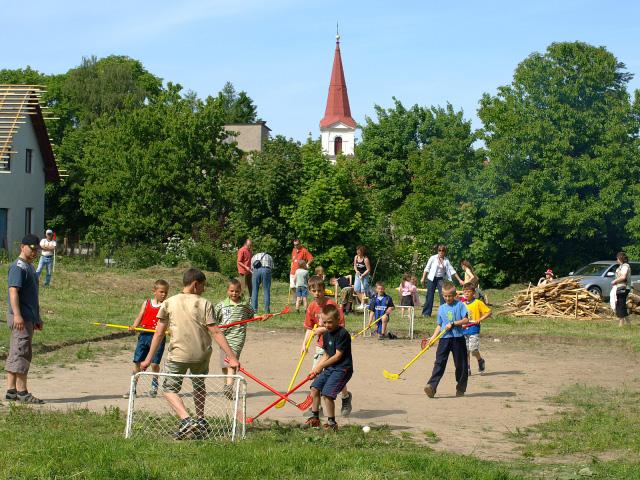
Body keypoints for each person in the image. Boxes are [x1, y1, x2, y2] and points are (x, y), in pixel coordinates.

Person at [141, 268, 240, 440]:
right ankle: (200, 420)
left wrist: (148, 359)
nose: (203, 290)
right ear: (195, 285)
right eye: (203, 286)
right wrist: (232, 357)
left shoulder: (169, 303)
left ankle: (186, 420)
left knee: (169, 389)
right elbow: (216, 332)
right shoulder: (205, 303)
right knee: (199, 384)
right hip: (202, 355)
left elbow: (158, 333)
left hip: (178, 355)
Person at [302, 276, 352, 417]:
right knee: (316, 375)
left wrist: (323, 329)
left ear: (324, 290)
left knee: (334, 375)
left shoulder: (332, 305)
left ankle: (346, 397)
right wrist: (304, 344)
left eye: (319, 290)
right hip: (321, 346)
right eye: (314, 291)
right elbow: (309, 328)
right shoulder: (312, 307)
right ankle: (316, 409)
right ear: (310, 291)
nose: (317, 293)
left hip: (335, 346)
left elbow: (341, 325)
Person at [5, 234, 45, 404]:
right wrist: (18, 315)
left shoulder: (28, 266)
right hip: (20, 317)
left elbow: (31, 296)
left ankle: (11, 391)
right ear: (22, 246)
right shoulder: (18, 267)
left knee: (16, 351)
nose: (34, 252)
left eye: (37, 249)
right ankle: (22, 392)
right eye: (31, 248)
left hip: (28, 316)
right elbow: (13, 291)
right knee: (22, 353)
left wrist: (37, 317)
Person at [303, 303, 353, 431]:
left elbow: (337, 356)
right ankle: (315, 419)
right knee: (314, 388)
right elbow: (326, 353)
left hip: (342, 369)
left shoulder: (343, 334)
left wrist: (321, 367)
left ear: (338, 320)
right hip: (331, 368)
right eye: (324, 322)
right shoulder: (326, 334)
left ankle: (332, 423)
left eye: (330, 322)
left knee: (327, 394)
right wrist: (317, 368)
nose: (327, 325)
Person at [123, 279, 169, 399]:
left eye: (166, 292)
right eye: (161, 292)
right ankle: (133, 388)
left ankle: (154, 384)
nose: (164, 294)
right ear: (154, 291)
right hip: (144, 336)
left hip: (158, 337)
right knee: (137, 363)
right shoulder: (147, 303)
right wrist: (134, 326)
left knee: (154, 364)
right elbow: (140, 315)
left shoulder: (166, 305)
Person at [423, 281, 470, 398]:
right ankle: (431, 387)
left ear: (454, 295)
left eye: (450, 296)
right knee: (439, 363)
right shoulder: (441, 308)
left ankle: (461, 388)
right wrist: (432, 339)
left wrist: (454, 323)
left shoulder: (460, 305)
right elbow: (439, 325)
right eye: (445, 296)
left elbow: (466, 320)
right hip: (444, 339)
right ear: (443, 295)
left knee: (461, 365)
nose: (447, 298)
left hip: (458, 339)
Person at [215, 279, 260, 398]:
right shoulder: (221, 305)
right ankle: (227, 385)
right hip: (223, 338)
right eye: (232, 291)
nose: (234, 293)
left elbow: (253, 315)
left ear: (241, 292)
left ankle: (229, 387)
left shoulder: (244, 305)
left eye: (237, 291)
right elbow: (214, 320)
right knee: (224, 365)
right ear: (227, 291)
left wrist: (258, 317)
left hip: (237, 338)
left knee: (231, 363)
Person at [420, 244, 464, 317]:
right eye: (439, 250)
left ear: (445, 252)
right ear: (437, 251)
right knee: (430, 295)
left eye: (442, 250)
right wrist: (423, 278)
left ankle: (443, 313)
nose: (441, 252)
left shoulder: (446, 260)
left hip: (440, 279)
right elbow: (427, 268)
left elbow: (452, 270)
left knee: (443, 295)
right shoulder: (433, 258)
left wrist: (459, 280)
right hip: (432, 278)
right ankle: (426, 313)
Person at [462, 282, 491, 376]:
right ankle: (467, 368)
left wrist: (480, 319)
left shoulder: (478, 302)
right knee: (465, 350)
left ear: (473, 293)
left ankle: (480, 360)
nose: (466, 293)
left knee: (473, 349)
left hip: (474, 328)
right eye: (465, 292)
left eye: (468, 292)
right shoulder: (462, 304)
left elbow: (488, 312)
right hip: (463, 329)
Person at [610, 252, 631, 327]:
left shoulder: (625, 266)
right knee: (621, 304)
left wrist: (614, 281)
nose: (616, 260)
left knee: (620, 304)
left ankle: (621, 323)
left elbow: (623, 277)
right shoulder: (620, 267)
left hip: (624, 287)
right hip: (620, 287)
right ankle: (628, 323)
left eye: (617, 258)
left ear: (620, 258)